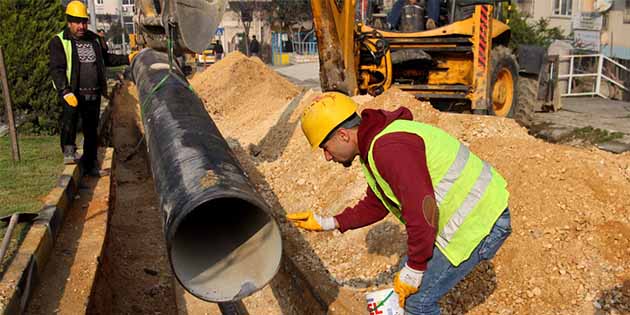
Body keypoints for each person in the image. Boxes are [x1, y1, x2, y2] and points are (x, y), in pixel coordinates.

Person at [288, 92, 512, 315]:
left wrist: (415, 268)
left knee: (417, 303)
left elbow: (422, 211)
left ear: (343, 135)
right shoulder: (376, 145)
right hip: (468, 220)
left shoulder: (388, 149)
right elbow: (376, 204)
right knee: (409, 283)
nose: (327, 157)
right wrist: (328, 222)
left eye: (325, 148)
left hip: (481, 222)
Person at [49, 1, 131, 175]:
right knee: (69, 120)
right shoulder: (59, 41)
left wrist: (128, 58)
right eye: (77, 22)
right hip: (73, 92)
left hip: (93, 92)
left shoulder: (94, 39)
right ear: (69, 22)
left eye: (84, 22)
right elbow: (57, 69)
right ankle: (68, 148)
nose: (81, 26)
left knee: (91, 130)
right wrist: (64, 91)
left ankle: (91, 164)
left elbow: (107, 59)